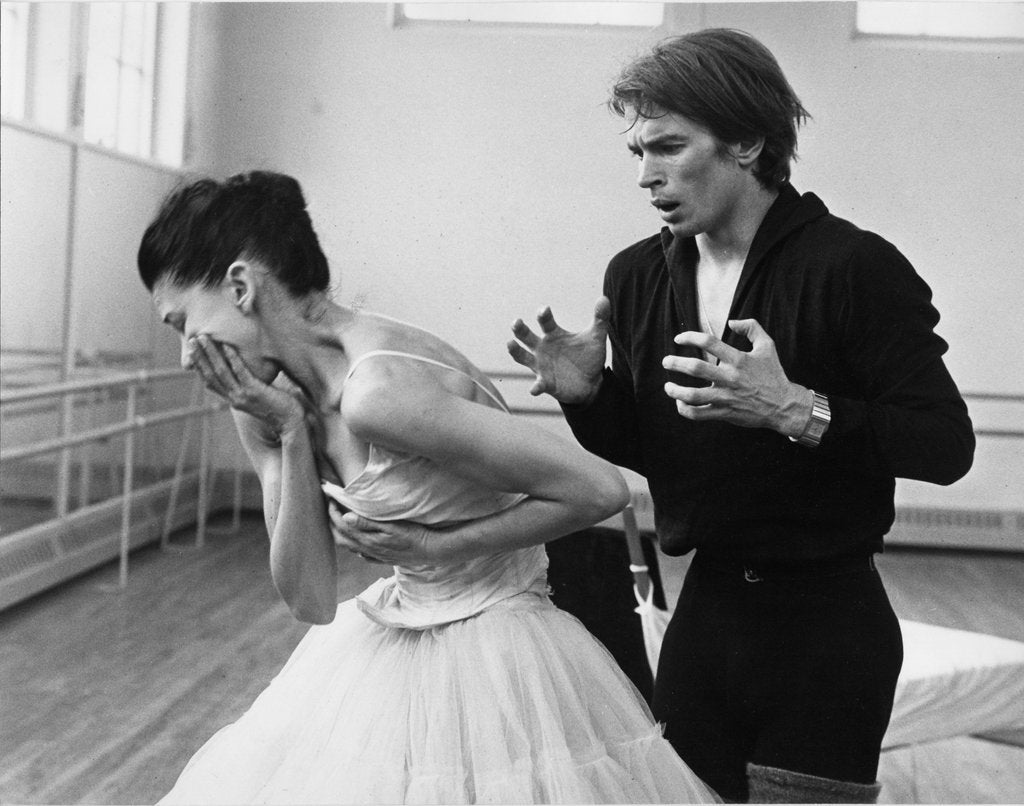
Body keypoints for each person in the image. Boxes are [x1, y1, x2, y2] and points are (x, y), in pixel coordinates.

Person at [500, 28, 976, 804]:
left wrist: (794, 408)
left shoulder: (853, 266)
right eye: (639, 152)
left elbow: (946, 445)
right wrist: (592, 399)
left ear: (748, 142)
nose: (646, 175)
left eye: (669, 147)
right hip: (707, 617)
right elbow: (670, 450)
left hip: (827, 629)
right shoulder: (636, 276)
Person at [138, 170, 719, 804]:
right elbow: (310, 599)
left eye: (182, 323)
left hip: (501, 646)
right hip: (394, 633)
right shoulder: (262, 403)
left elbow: (600, 490)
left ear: (241, 287)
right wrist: (290, 433)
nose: (186, 354)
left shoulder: (378, 390)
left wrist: (430, 547)